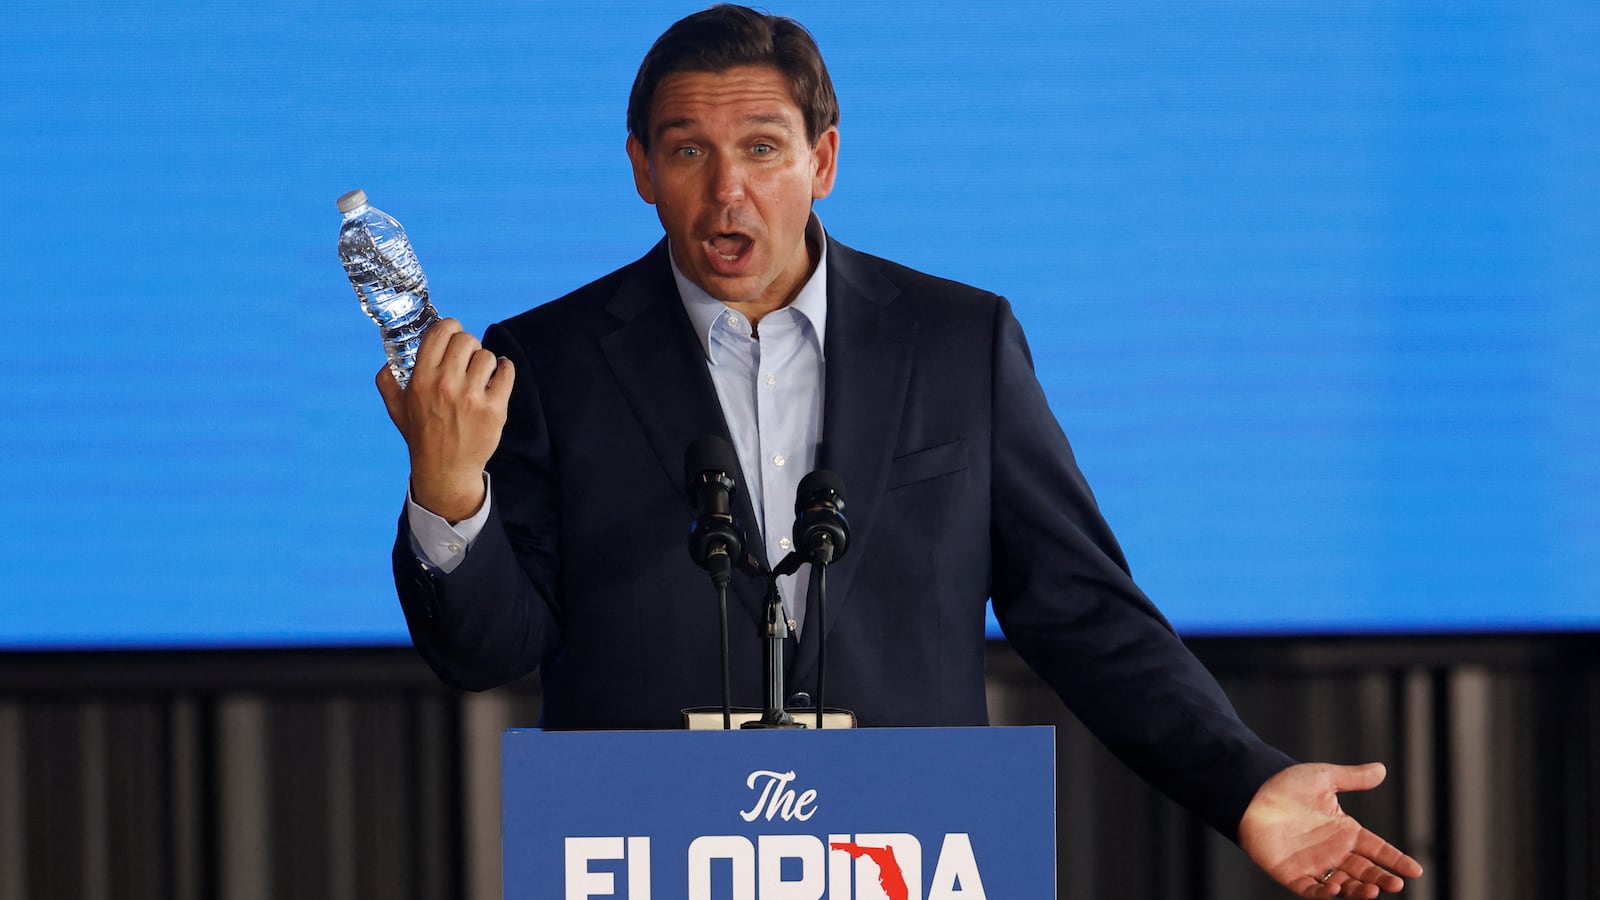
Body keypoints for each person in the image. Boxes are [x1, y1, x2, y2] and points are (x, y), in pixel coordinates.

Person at [377, 5, 1423, 897]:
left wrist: (1239, 779)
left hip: (908, 856)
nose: (726, 190)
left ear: (822, 160)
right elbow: (486, 654)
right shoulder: (546, 360)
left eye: (762, 147)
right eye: (687, 149)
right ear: (641, 169)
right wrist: (445, 483)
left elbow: (1081, 609)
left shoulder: (957, 341)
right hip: (644, 854)